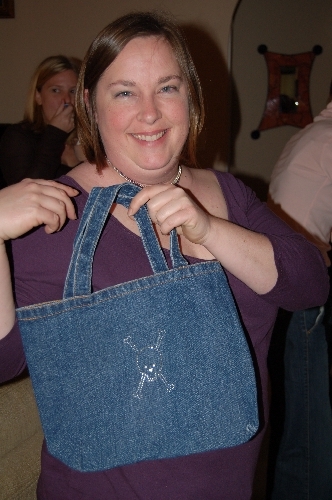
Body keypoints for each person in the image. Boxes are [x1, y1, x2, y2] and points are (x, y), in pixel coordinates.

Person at [0, 11, 329, 500]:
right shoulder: (56, 215)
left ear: (190, 97)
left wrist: (211, 229)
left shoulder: (228, 194)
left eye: (168, 88)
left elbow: (309, 286)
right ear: (91, 105)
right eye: (125, 92)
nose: (150, 113)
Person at [267, 93, 332, 499]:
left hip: (280, 282)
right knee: (309, 423)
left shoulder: (312, 134)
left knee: (296, 414)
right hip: (300, 288)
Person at [0, 55, 84, 186]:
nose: (66, 100)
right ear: (38, 96)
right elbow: (26, 192)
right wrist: (55, 134)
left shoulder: (89, 138)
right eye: (56, 90)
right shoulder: (19, 136)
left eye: (73, 91)